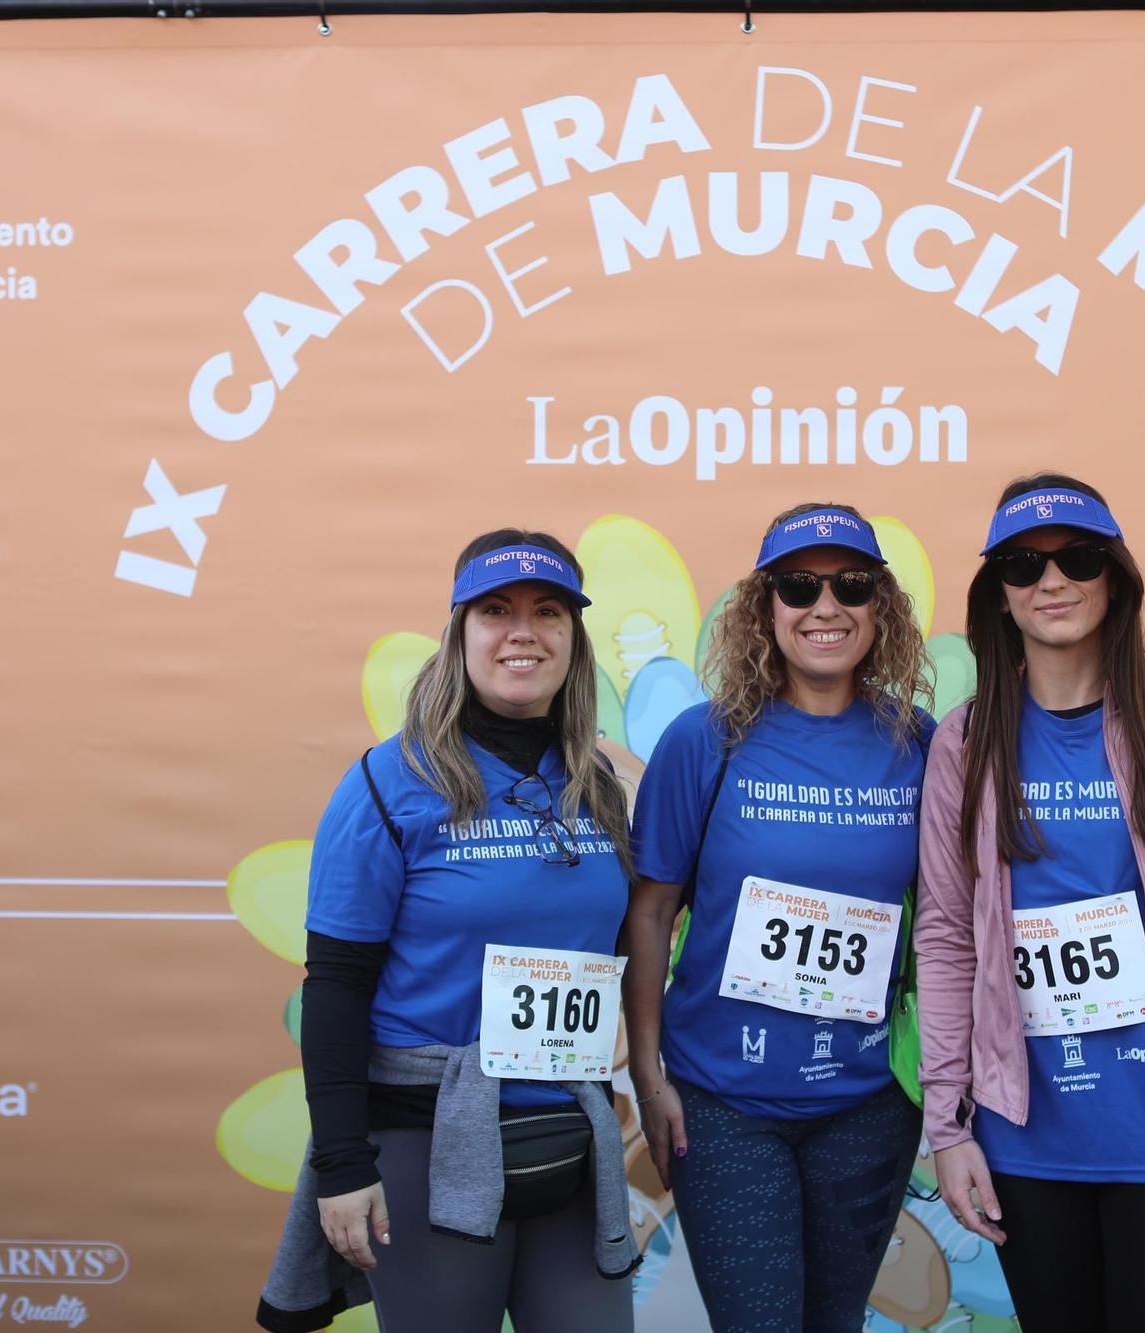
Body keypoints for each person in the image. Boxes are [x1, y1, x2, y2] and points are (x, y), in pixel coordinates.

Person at [914, 474, 1145, 1333]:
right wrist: (948, 1126)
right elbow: (948, 935)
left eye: (1078, 558)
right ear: (998, 594)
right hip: (1026, 1137)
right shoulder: (964, 741)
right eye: (1025, 564)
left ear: (1116, 579)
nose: (1053, 581)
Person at [270, 530, 639, 1333]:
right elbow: (335, 985)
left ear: (573, 641)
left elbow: (605, 954)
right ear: (459, 633)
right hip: (424, 1142)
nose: (522, 631)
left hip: (568, 1133)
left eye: (549, 612)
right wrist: (340, 1163)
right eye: (495, 611)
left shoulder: (599, 785)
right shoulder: (387, 782)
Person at [622, 502, 933, 1333]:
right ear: (764, 606)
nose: (825, 606)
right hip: (724, 1103)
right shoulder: (705, 741)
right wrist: (649, 1076)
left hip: (866, 1104)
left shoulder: (923, 744)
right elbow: (651, 912)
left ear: (882, 606)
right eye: (799, 585)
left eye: (851, 585)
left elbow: (949, 918)